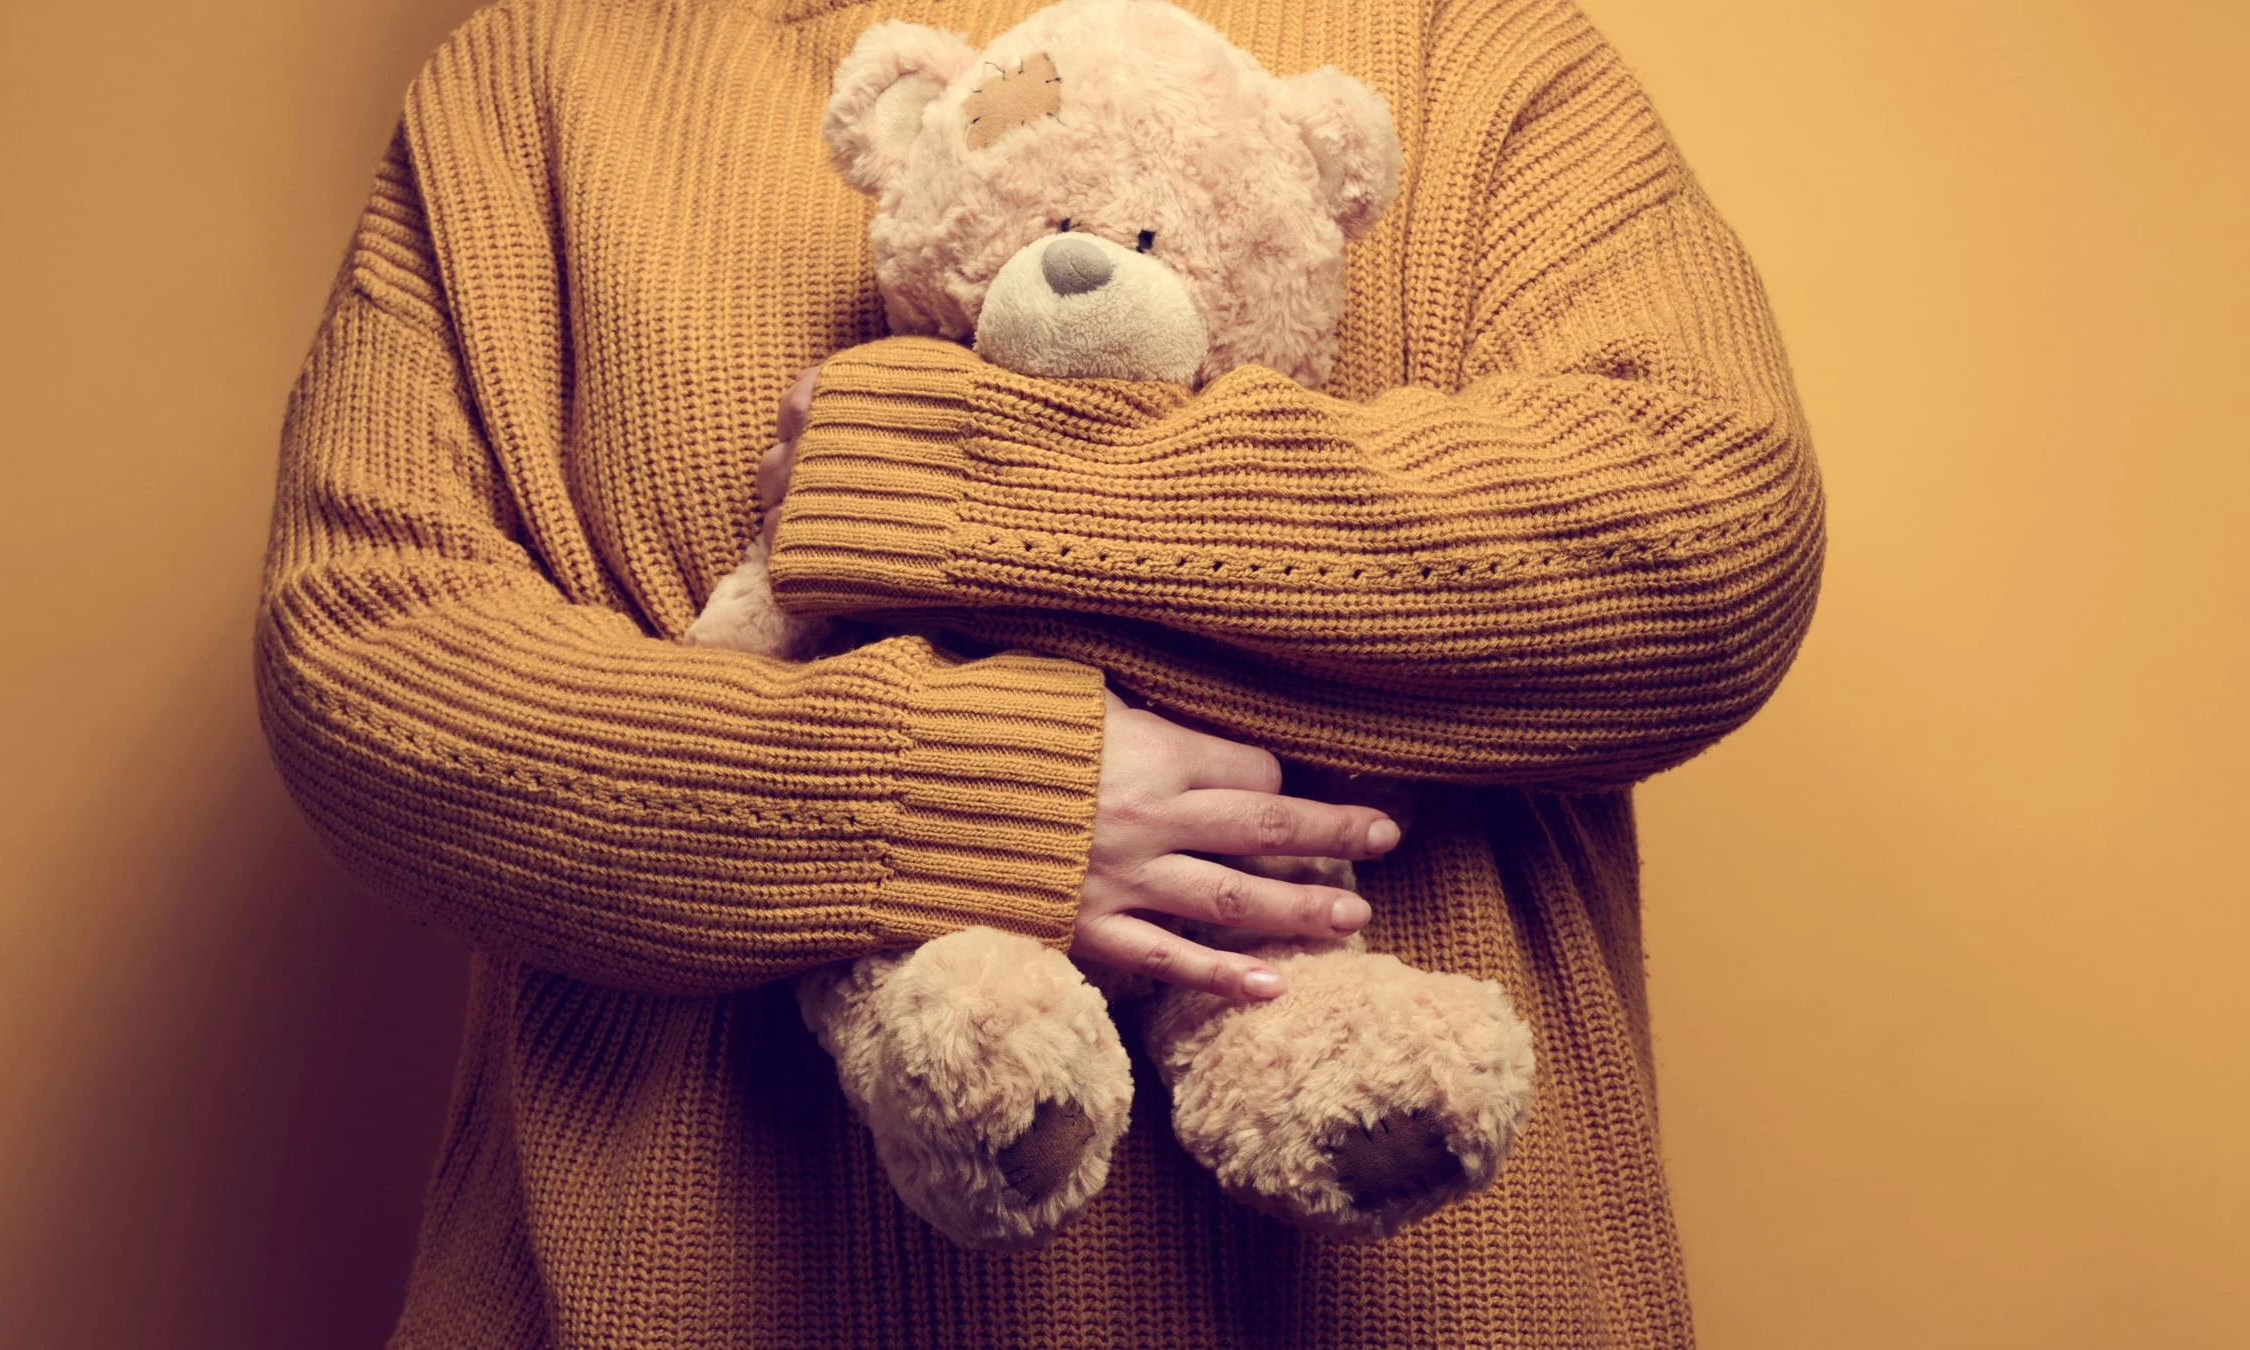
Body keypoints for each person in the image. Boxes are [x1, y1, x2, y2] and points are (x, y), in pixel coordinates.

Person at [255, 0, 1821, 1344]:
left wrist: (949, 485)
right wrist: (974, 798)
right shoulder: (533, 74)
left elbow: (1710, 534)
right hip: (679, 1293)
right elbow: (371, 661)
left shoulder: (1462, 39)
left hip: (1415, 1289)